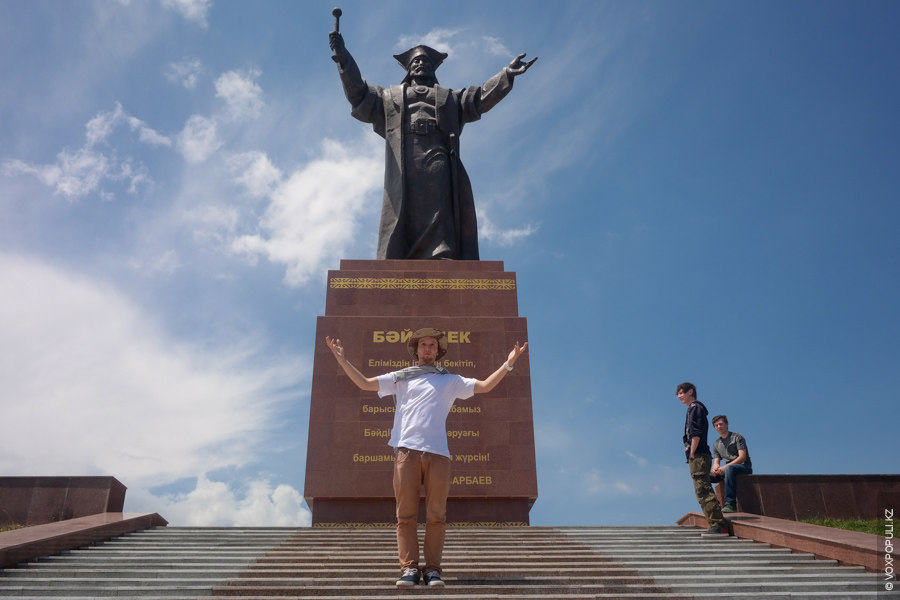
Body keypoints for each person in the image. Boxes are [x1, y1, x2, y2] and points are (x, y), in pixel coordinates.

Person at [326, 327, 528, 587]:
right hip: (406, 451)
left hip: (438, 454)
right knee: (406, 515)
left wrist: (509, 363)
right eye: (424, 344)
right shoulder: (400, 378)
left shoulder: (450, 380)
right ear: (416, 349)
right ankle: (409, 569)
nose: (428, 348)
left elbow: (486, 386)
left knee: (436, 516)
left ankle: (433, 570)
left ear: (438, 351)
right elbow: (364, 383)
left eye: (433, 344)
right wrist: (341, 358)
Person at [328, 24, 537, 260]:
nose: (420, 64)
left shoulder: (448, 97)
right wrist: (343, 58)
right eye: (416, 61)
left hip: (437, 159)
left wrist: (506, 75)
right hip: (405, 162)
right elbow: (360, 94)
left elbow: (478, 99)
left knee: (439, 208)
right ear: (408, 68)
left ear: (432, 69)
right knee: (405, 209)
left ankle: (441, 252)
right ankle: (402, 255)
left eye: (425, 61)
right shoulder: (390, 97)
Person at [676, 382, 730, 536]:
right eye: (678, 394)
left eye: (681, 393)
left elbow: (695, 432)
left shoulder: (695, 408)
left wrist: (692, 452)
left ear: (690, 391)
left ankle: (719, 525)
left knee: (703, 489)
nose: (679, 396)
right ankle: (716, 524)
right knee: (701, 489)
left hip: (698, 455)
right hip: (698, 455)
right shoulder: (693, 409)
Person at [709, 415, 753, 512]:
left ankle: (730, 504)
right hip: (727, 470)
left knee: (729, 469)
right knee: (705, 477)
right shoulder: (716, 443)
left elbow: (742, 457)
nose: (719, 427)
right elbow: (716, 462)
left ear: (727, 424)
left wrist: (724, 467)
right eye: (716, 425)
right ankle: (714, 505)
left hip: (743, 467)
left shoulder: (737, 437)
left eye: (720, 424)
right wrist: (715, 469)